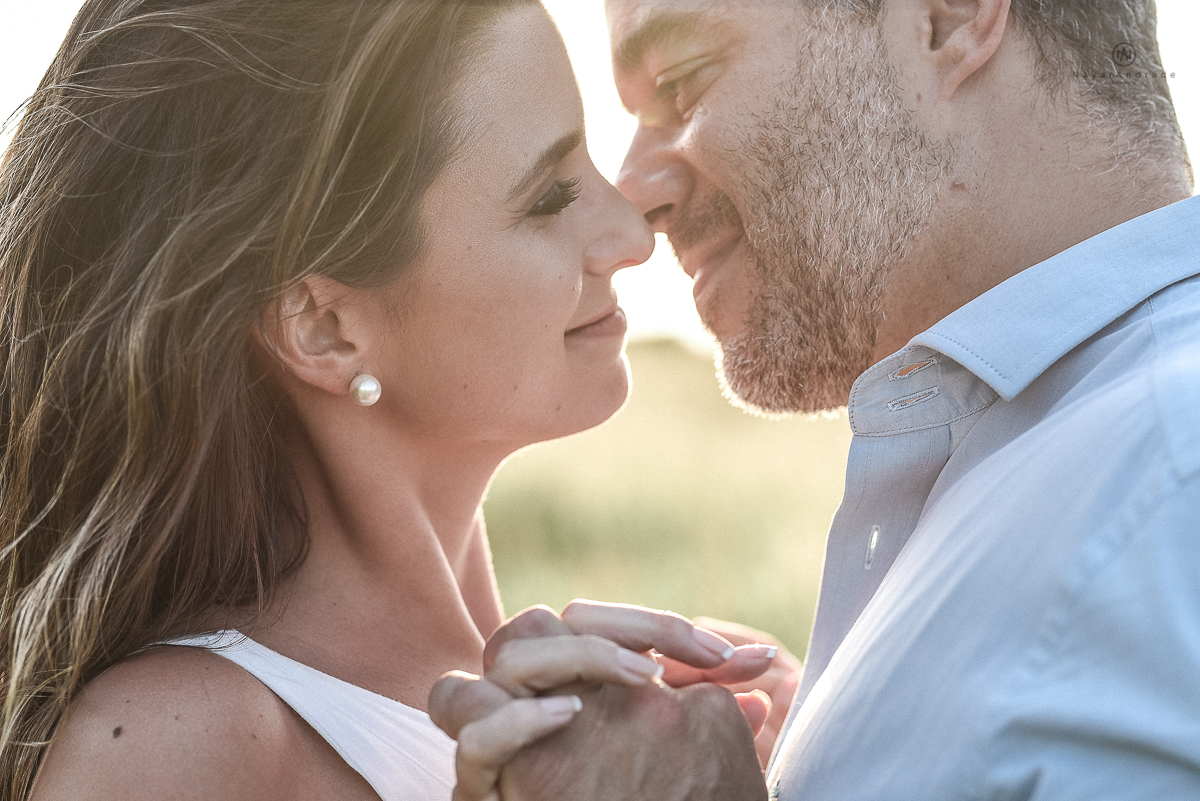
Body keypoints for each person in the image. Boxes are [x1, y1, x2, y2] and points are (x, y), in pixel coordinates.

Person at [0, 2, 784, 799]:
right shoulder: (175, 746)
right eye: (548, 196)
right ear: (327, 328)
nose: (632, 231)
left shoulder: (634, 710)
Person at [432, 0, 1200, 797]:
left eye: (684, 83)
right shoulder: (1067, 473)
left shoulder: (1170, 489)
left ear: (947, 18)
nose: (634, 193)